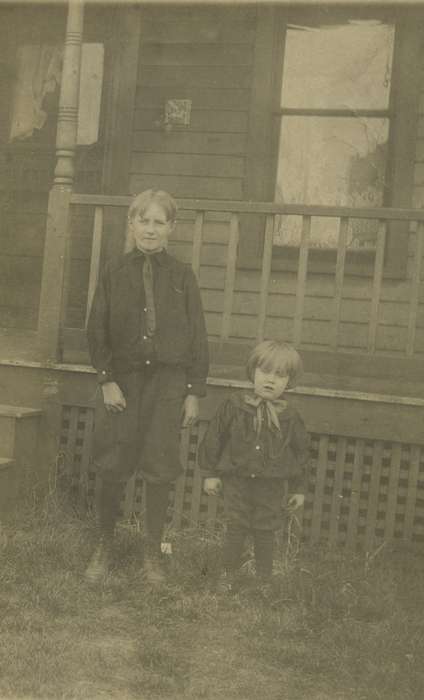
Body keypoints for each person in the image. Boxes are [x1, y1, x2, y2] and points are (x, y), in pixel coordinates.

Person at [85, 188, 209, 585]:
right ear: (132, 224)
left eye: (159, 222)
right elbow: (97, 329)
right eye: (144, 221)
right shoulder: (114, 272)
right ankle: (104, 545)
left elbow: (198, 336)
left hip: (168, 385)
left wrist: (193, 391)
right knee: (112, 463)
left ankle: (152, 551)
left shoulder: (182, 276)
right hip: (124, 383)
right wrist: (106, 381)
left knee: (159, 466)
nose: (151, 230)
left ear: (171, 228)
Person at [199, 340, 310, 592]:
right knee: (236, 525)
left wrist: (299, 488)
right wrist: (211, 474)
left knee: (265, 528)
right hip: (236, 480)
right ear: (252, 372)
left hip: (271, 484)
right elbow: (214, 438)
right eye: (265, 372)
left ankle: (264, 580)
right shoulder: (234, 405)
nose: (270, 380)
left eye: (280, 375)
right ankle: (228, 575)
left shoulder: (289, 416)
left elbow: (301, 453)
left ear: (289, 382)